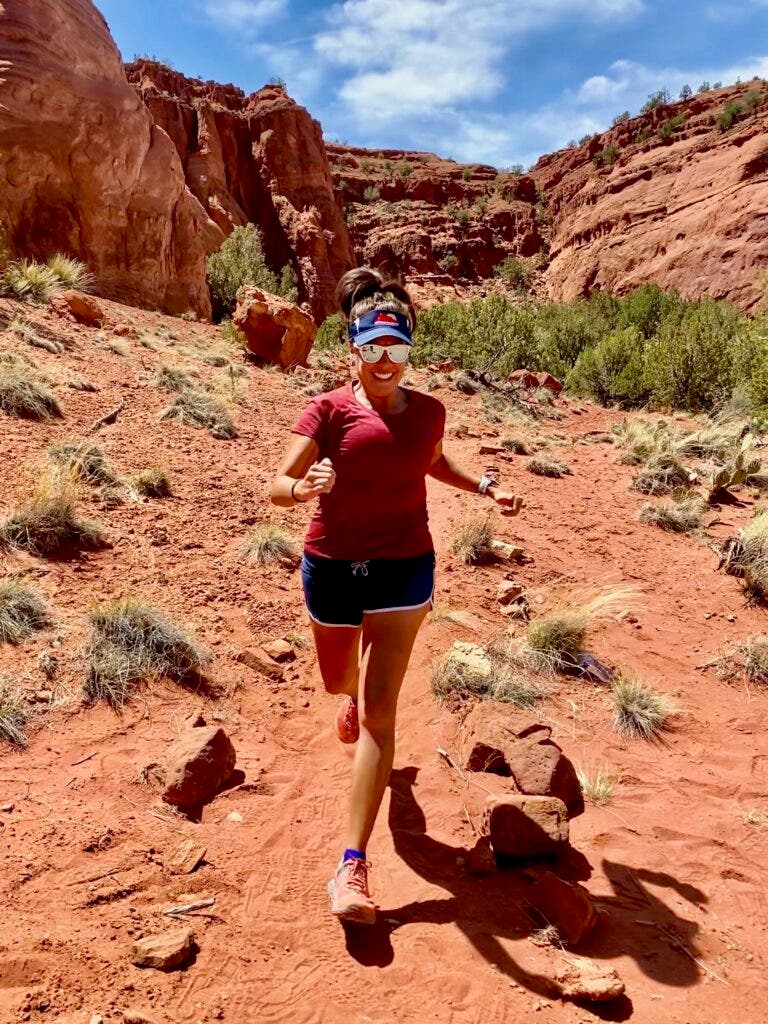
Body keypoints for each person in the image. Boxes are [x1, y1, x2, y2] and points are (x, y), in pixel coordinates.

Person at [270, 267, 523, 924]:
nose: (386, 361)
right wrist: (304, 488)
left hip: (404, 570)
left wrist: (486, 485)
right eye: (373, 348)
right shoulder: (326, 411)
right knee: (336, 684)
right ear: (353, 351)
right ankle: (348, 699)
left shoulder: (429, 412)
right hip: (331, 565)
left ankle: (351, 866)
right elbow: (277, 484)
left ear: (410, 352)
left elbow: (431, 459)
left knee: (381, 721)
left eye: (398, 349)